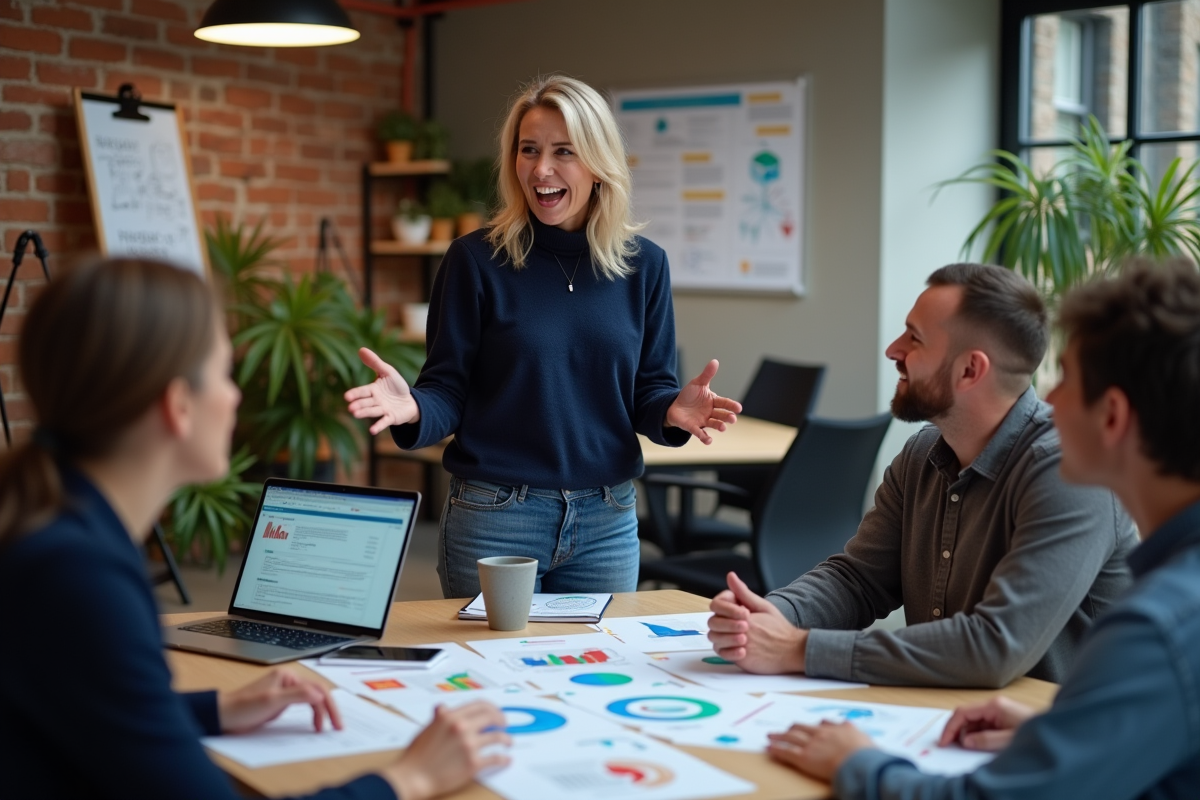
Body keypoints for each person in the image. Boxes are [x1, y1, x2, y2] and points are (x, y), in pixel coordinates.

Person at [0, 258, 510, 800]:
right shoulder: (81, 580)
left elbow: (90, 704)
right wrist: (409, 778)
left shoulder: (54, 530)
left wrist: (217, 707)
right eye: (224, 374)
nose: (235, 397)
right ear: (178, 406)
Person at [767, 259, 1200, 799]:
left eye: (1066, 378)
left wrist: (858, 763)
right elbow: (859, 578)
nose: (1050, 398)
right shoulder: (1172, 605)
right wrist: (1062, 729)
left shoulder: (1160, 627)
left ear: (1112, 416)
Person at [346, 75, 742, 598]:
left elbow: (648, 389)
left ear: (599, 165)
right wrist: (417, 408)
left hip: (608, 520)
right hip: (495, 517)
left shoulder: (644, 266)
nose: (541, 169)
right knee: (487, 673)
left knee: (601, 673)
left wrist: (670, 410)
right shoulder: (475, 261)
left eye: (563, 152)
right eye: (528, 150)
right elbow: (449, 390)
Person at [708, 263, 1137, 687]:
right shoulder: (922, 454)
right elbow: (859, 580)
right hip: (951, 717)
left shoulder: (1069, 472)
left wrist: (799, 649)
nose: (893, 349)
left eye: (914, 339)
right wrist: (770, 616)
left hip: (1067, 739)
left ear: (971, 370)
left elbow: (995, 646)